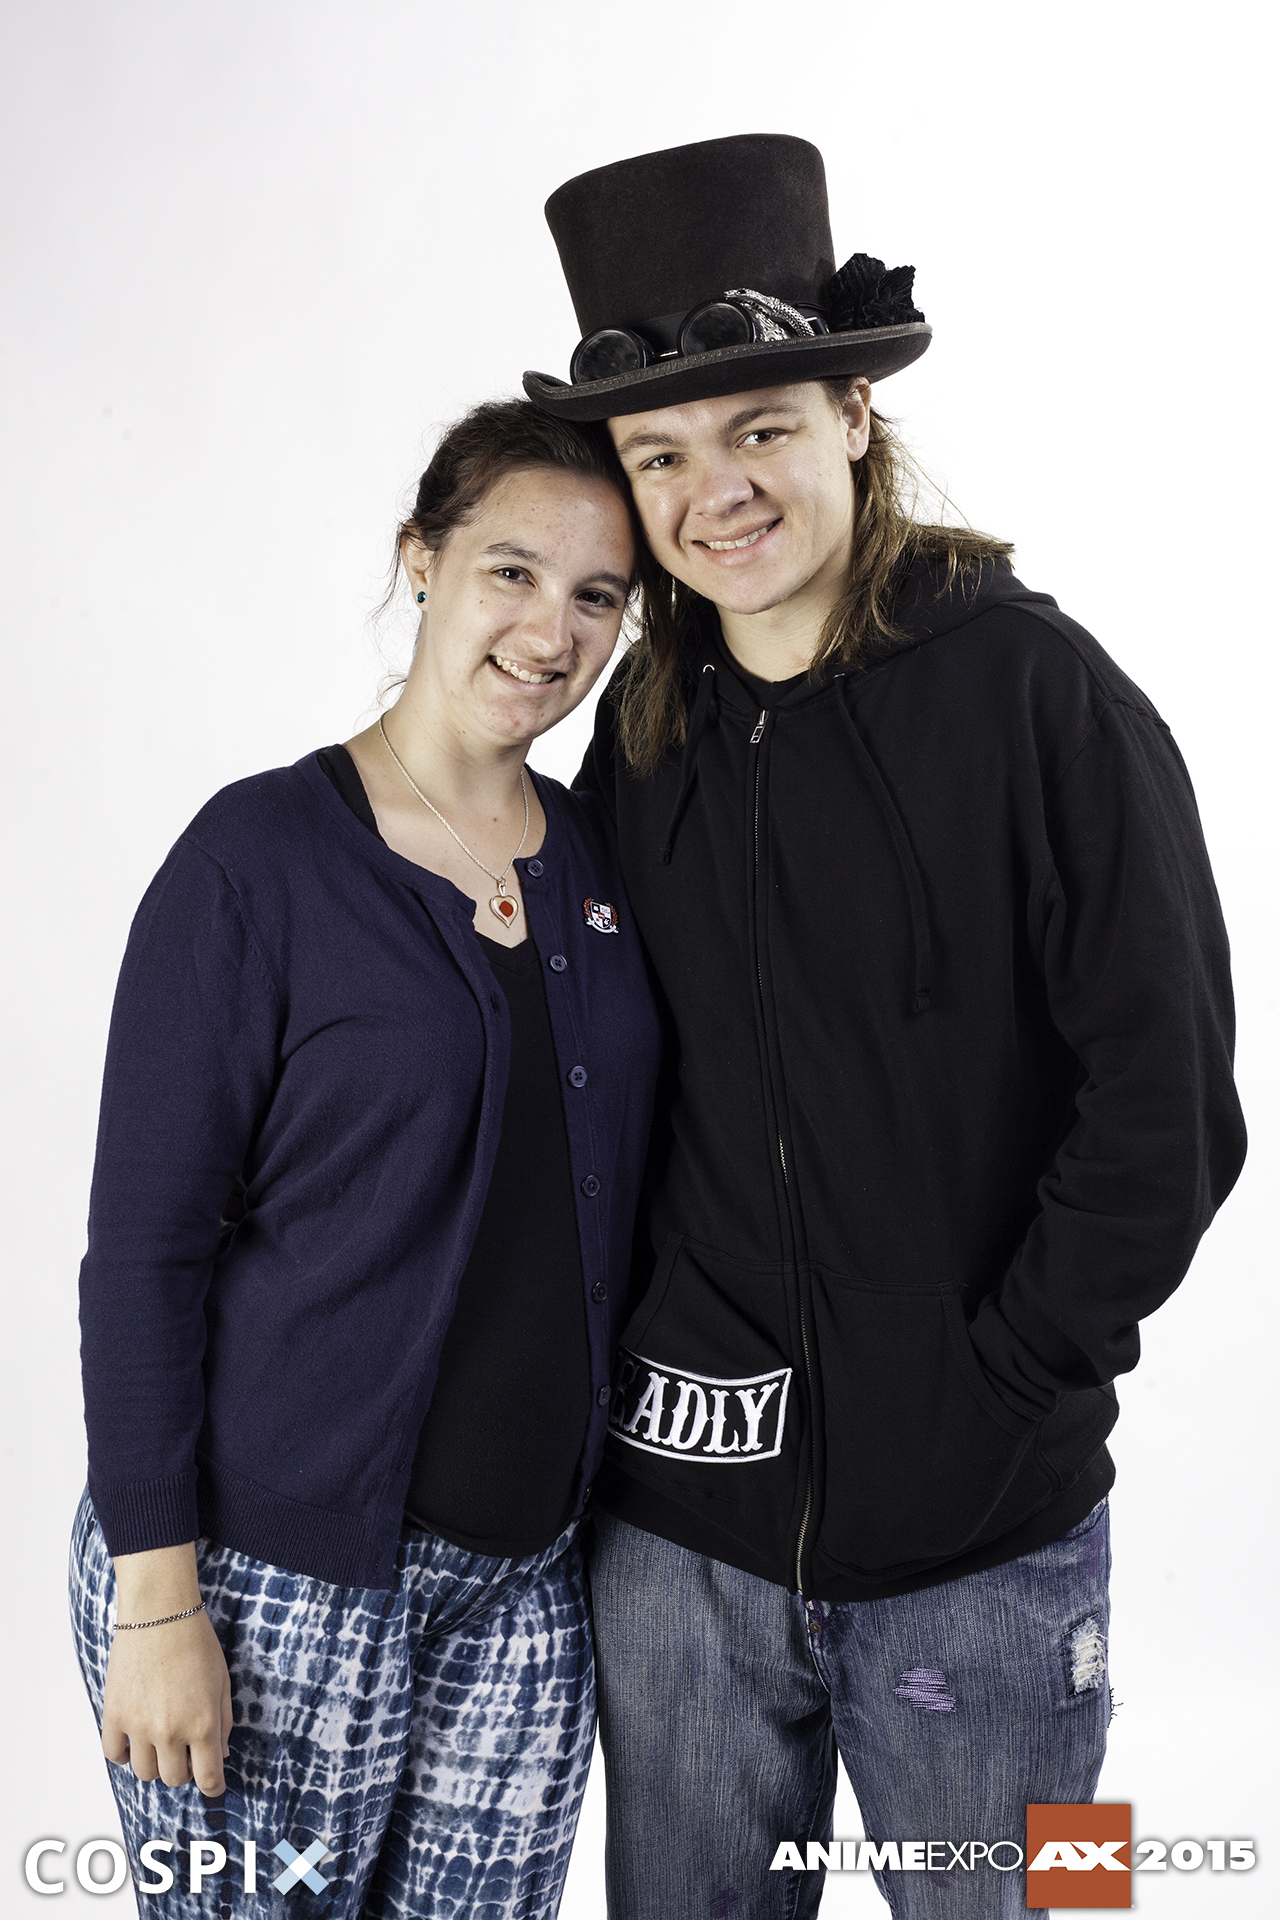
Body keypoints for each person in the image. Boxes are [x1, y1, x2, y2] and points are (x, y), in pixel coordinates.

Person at [522, 134, 1248, 1918]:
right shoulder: (644, 732)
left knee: (1044, 1902)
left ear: (853, 413)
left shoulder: (1045, 697)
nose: (716, 493)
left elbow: (1171, 1106)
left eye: (760, 427)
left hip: (997, 1550)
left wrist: (1003, 1383)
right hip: (678, 1541)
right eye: (661, 455)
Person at [69, 398, 661, 1920]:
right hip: (262, 1577)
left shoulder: (598, 857)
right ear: (421, 560)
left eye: (598, 595)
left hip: (523, 1585)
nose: (551, 631)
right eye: (512, 571)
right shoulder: (255, 860)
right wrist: (158, 1603)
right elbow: (143, 1254)